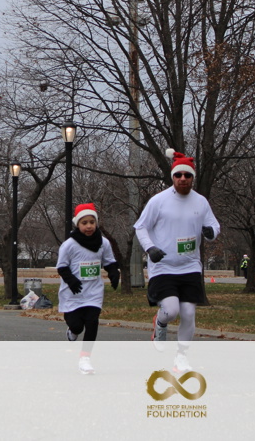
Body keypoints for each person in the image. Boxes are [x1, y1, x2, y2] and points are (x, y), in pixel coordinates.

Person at [134, 149, 220, 374]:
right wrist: (150, 248)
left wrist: (211, 232)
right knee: (171, 310)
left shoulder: (200, 202)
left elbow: (214, 226)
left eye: (187, 175)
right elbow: (141, 227)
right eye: (178, 175)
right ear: (173, 177)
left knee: (189, 313)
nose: (183, 179)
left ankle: (181, 356)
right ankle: (160, 322)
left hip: (190, 266)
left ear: (193, 178)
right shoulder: (159, 201)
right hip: (163, 266)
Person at [57, 202, 119, 375]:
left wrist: (114, 273)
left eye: (92, 222)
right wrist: (71, 280)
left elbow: (109, 261)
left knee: (92, 322)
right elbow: (62, 266)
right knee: (77, 326)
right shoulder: (69, 245)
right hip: (73, 293)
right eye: (84, 223)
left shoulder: (103, 242)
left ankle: (85, 358)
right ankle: (73, 331)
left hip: (93, 292)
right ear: (77, 224)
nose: (89, 226)